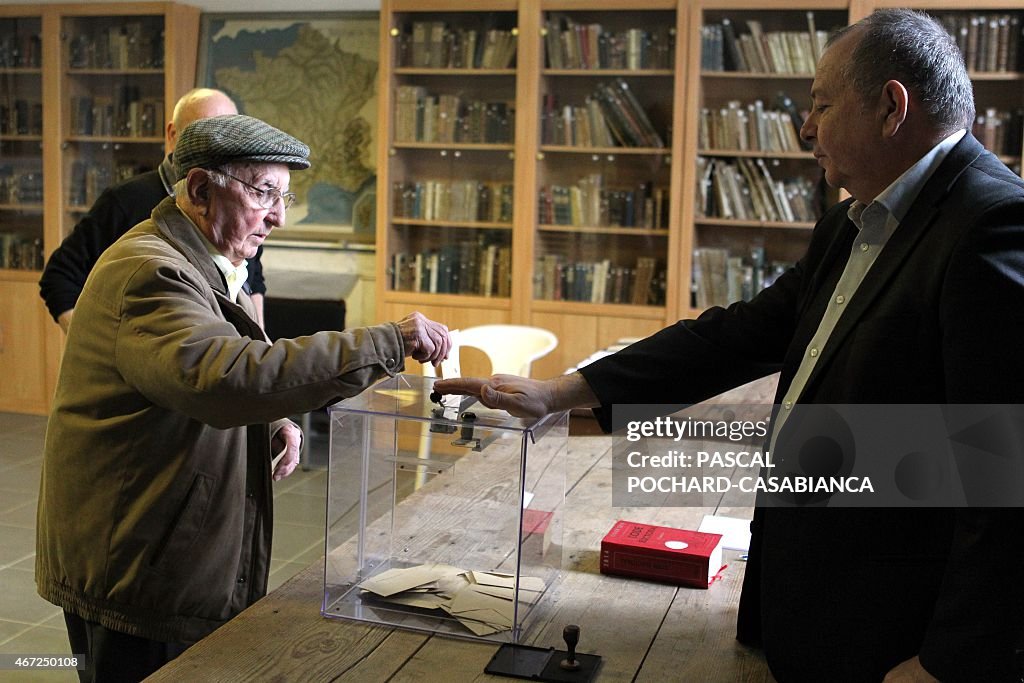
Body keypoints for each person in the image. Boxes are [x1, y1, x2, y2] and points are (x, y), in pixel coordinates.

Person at [437, 10, 1024, 682]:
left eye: (822, 105)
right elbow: (736, 335)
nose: (806, 128)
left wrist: (951, 662)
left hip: (895, 634)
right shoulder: (850, 223)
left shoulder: (990, 226)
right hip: (807, 608)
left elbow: (1002, 475)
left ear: (891, 108)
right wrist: (562, 390)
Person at [35, 113, 451, 683]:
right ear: (202, 190)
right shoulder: (153, 272)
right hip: (136, 564)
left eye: (285, 195)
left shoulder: (203, 260)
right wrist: (388, 340)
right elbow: (224, 378)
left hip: (158, 543)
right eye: (264, 193)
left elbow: (205, 366)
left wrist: (272, 414)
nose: (278, 216)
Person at [37, 88, 273, 332]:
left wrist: (259, 340)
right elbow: (59, 276)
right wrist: (94, 342)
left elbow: (253, 280)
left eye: (229, 138)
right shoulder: (125, 200)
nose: (218, 149)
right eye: (203, 135)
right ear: (172, 135)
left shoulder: (240, 206)